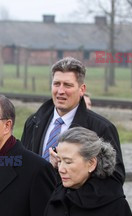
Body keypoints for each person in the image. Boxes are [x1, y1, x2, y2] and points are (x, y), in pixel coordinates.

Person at [21, 56, 125, 184]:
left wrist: (64, 169)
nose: (60, 91)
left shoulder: (102, 128)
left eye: (68, 85)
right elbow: (24, 166)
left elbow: (114, 179)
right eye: (56, 84)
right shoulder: (33, 121)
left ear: (82, 89)